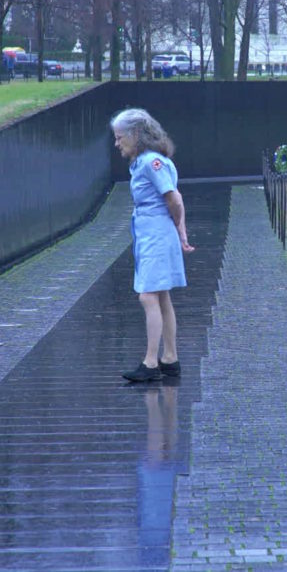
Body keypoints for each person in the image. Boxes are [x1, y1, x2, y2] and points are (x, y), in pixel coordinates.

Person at [111, 108, 194, 382]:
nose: (117, 143)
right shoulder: (145, 162)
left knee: (148, 296)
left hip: (156, 233)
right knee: (160, 296)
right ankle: (169, 358)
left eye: (120, 137)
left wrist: (177, 228)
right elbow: (175, 197)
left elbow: (174, 198)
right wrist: (180, 231)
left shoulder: (150, 163)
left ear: (136, 135)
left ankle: (150, 363)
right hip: (154, 232)